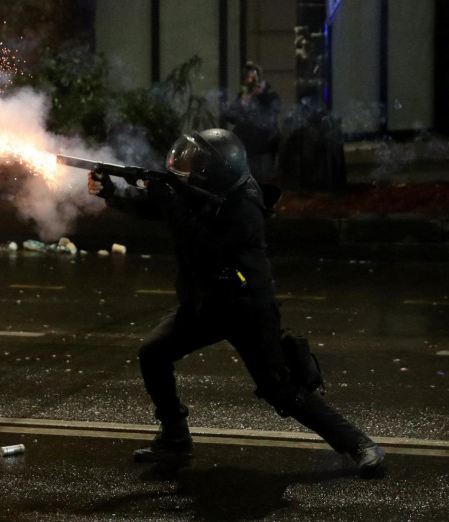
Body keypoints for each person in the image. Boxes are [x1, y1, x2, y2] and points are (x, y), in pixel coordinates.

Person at [87, 128, 385, 475]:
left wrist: (166, 198)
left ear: (213, 174)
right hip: (205, 304)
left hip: (245, 307)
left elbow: (200, 243)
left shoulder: (244, 207)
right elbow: (161, 208)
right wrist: (113, 194)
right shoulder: (209, 189)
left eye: (193, 167)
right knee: (153, 352)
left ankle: (360, 444)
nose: (183, 171)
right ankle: (174, 436)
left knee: (281, 389)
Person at [221, 62, 282, 182]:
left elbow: (276, 109)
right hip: (245, 145)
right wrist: (242, 102)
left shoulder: (268, 94)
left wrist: (262, 95)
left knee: (264, 178)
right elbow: (231, 117)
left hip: (264, 146)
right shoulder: (243, 96)